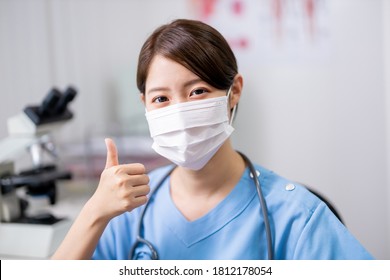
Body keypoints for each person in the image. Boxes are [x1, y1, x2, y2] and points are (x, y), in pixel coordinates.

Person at [52, 19, 374, 260]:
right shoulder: (129, 208)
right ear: (144, 105)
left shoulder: (295, 217)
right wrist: (94, 211)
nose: (178, 112)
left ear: (233, 92)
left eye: (197, 92)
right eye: (161, 99)